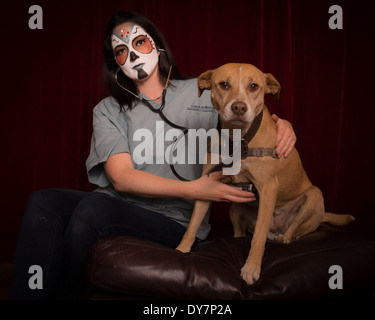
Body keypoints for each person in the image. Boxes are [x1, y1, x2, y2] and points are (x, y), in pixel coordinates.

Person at [8, 11, 296, 299]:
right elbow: (121, 179)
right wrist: (194, 188)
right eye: (121, 50)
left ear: (157, 45)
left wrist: (282, 125)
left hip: (174, 218)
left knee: (90, 210)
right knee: (43, 201)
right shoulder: (107, 110)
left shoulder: (205, 91)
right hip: (118, 203)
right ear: (115, 63)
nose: (132, 53)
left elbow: (247, 111)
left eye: (140, 42)